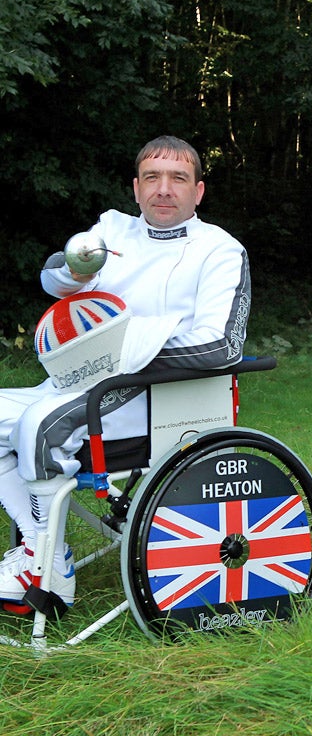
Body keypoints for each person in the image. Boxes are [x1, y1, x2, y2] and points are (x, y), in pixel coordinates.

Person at [0, 135, 251, 610]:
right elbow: (56, 277)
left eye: (178, 178)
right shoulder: (112, 232)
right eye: (152, 177)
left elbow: (221, 345)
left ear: (198, 191)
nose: (164, 189)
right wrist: (71, 273)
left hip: (157, 398)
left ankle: (46, 568)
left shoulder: (220, 249)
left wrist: (127, 358)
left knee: (38, 425)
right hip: (82, 385)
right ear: (136, 188)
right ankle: (43, 552)